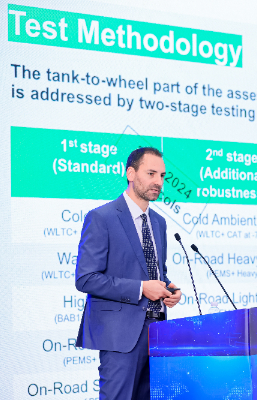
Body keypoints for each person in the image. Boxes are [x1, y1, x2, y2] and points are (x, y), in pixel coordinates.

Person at [75, 147, 181, 399]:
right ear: (130, 173)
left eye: (162, 176)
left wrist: (169, 289)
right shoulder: (101, 217)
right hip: (120, 335)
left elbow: (156, 271)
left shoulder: (159, 222)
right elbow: (86, 278)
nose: (158, 182)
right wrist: (141, 288)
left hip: (157, 332)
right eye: (151, 173)